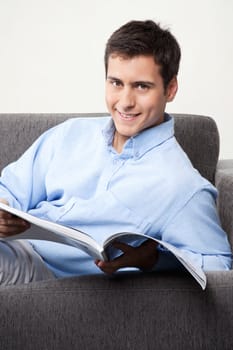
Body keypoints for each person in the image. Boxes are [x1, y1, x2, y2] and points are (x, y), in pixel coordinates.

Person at [0, 20, 231, 286]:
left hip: (47, 276)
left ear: (170, 89)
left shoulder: (182, 186)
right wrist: (4, 210)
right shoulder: (69, 134)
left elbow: (220, 265)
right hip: (13, 247)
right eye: (116, 83)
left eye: (142, 86)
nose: (125, 102)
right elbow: (10, 189)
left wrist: (154, 259)